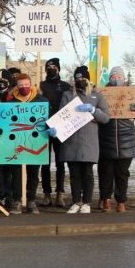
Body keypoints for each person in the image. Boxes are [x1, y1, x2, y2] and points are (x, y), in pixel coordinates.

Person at [48, 66, 109, 214]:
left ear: (88, 79)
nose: (79, 81)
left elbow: (106, 118)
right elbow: (62, 115)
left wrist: (93, 110)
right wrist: (56, 129)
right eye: (77, 79)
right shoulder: (68, 95)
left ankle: (87, 202)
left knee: (87, 173)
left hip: (89, 141)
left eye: (82, 78)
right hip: (71, 141)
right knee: (74, 174)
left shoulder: (97, 96)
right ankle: (76, 201)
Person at [98, 67, 135, 212]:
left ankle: (121, 201)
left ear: (124, 79)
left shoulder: (130, 94)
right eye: (113, 76)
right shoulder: (102, 94)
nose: (116, 79)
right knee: (105, 173)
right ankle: (105, 199)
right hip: (106, 139)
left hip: (126, 141)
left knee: (122, 174)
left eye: (119, 77)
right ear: (109, 78)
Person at [1, 73, 48, 214]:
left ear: (31, 84)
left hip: (36, 141)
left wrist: (50, 128)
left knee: (33, 172)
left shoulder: (41, 101)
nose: (24, 88)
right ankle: (17, 200)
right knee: (16, 173)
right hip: (17, 143)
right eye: (21, 85)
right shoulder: (10, 103)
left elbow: (47, 120)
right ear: (17, 86)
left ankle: (31, 200)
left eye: (26, 85)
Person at [39, 58, 72, 207]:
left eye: (53, 66)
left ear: (58, 68)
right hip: (44, 128)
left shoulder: (65, 86)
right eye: (48, 67)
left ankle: (60, 193)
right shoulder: (41, 85)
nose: (51, 69)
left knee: (60, 162)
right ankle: (47, 193)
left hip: (61, 128)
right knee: (44, 163)